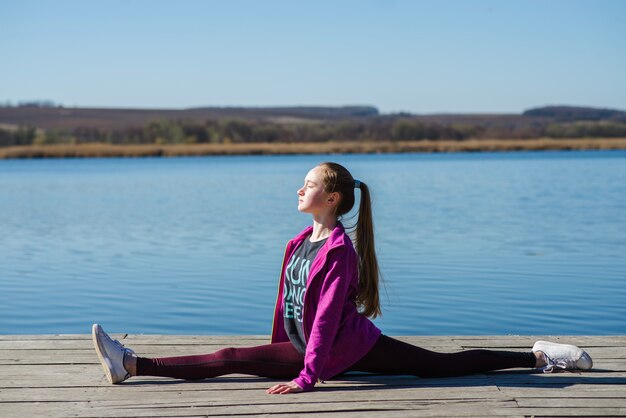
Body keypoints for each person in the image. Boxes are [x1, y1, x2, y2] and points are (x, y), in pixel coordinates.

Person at [92, 162, 593, 394]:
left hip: (344, 346)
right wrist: (280, 353)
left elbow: (328, 317)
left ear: (332, 198)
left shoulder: (338, 252)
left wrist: (307, 375)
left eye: (308, 185)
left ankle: (538, 356)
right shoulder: (298, 241)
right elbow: (289, 306)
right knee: (234, 360)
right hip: (312, 346)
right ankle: (131, 366)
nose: (299, 188)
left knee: (443, 368)